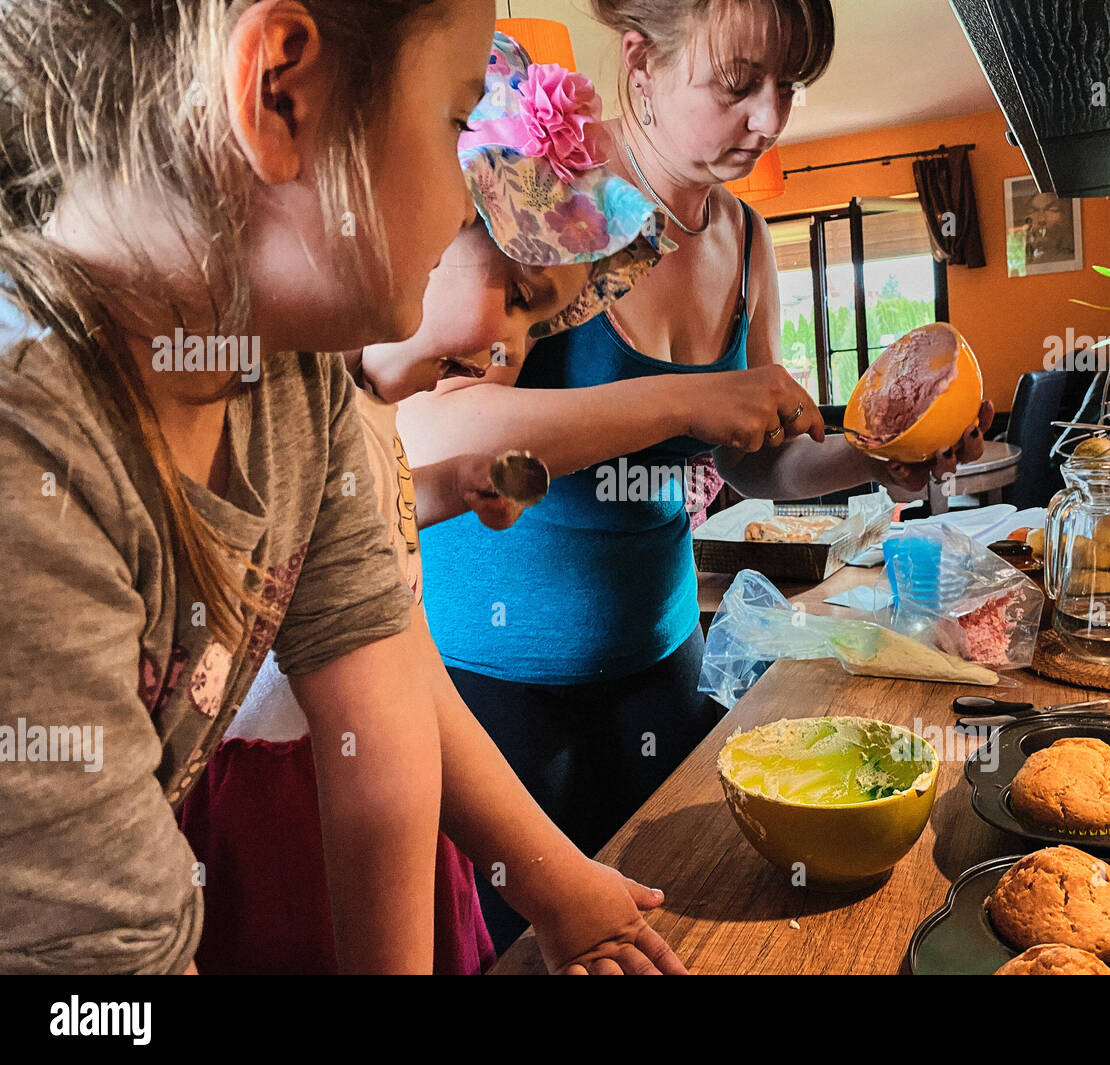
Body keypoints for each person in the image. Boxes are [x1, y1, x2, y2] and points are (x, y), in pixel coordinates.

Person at [0, 0, 684, 975]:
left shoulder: (295, 380)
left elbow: (382, 703)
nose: (465, 192)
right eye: (456, 121)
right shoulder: (27, 464)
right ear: (281, 93)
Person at [400, 2, 995, 950]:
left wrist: (879, 452)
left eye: (787, 88)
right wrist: (684, 402)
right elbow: (430, 428)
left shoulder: (748, 239)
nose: (769, 119)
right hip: (498, 677)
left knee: (673, 933)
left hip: (660, 659)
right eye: (739, 85)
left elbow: (752, 460)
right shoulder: (545, 196)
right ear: (640, 63)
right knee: (530, 948)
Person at [180, 37, 673, 974]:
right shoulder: (278, 390)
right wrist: (554, 880)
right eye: (517, 296)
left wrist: (449, 489)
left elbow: (360, 545)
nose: (512, 347)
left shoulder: (352, 412)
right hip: (281, 796)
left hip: (386, 789)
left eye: (541, 321)